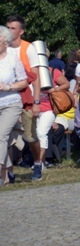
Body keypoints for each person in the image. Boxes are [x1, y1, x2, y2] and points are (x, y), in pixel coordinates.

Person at [6, 15, 42, 180]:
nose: (9, 31)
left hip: (26, 97)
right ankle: (9, 171)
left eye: (13, 28)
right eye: (8, 27)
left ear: (21, 31)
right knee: (4, 135)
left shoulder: (28, 48)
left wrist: (36, 102)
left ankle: (37, 162)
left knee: (29, 136)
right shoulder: (2, 47)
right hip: (7, 97)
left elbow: (36, 78)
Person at [0, 25, 29, 186]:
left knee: (1, 136)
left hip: (11, 103)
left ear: (5, 42)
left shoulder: (12, 59)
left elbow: (24, 81)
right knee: (2, 139)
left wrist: (7, 87)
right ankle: (7, 173)